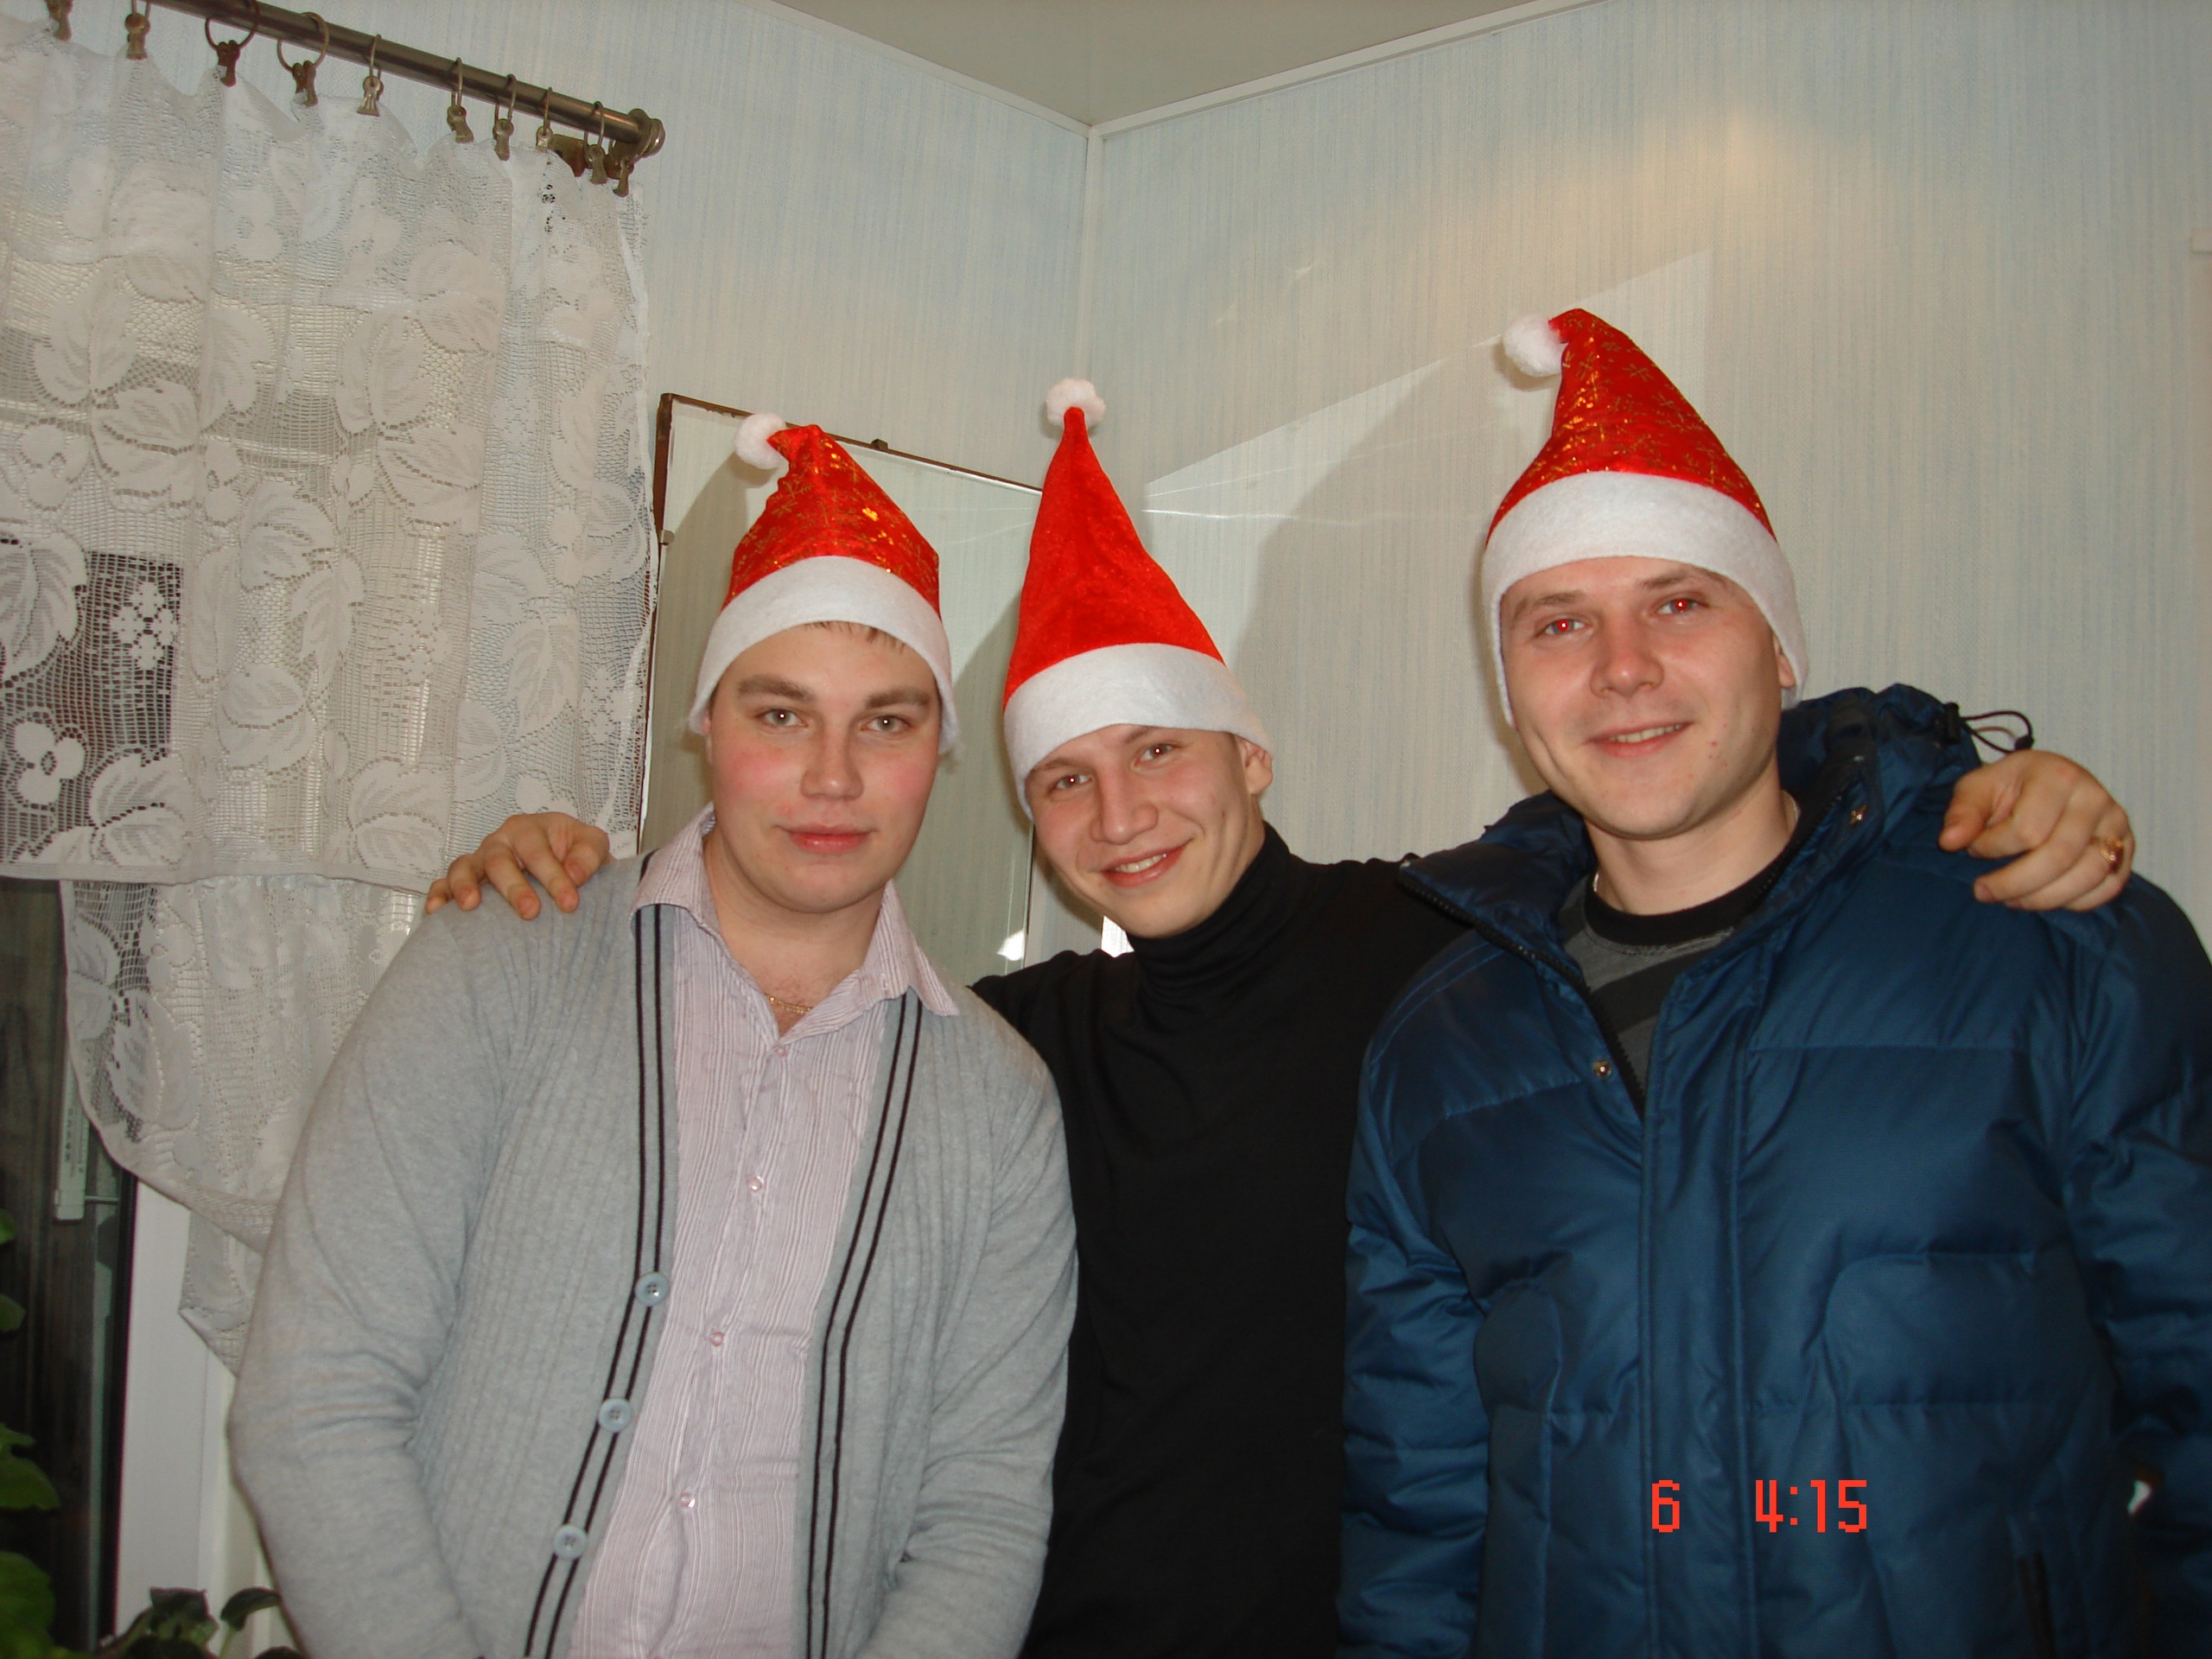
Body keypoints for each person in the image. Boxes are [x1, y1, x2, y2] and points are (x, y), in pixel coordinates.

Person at [431, 380, 2138, 1658]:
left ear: (1248, 754)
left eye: (1158, 751)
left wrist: (1954, 782)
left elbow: (1684, 821)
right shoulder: (999, 1042)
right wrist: (567, 876)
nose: (1120, 814)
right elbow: (773, 1013)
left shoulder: (1453, 957)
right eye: (1065, 781)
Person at [1339, 308, 2212, 1656]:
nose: (1623, 668)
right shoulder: (1441, 1048)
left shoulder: (2054, 941)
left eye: (1679, 602)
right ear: (1510, 691)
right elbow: (1418, 1514)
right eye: (1558, 623)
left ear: (1783, 647)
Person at [231, 416, 1076, 1659]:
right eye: (780, 714)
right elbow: (316, 1400)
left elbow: (984, 1515)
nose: (833, 776)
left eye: (888, 723)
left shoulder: (1000, 1106)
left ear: (939, 752)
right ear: (706, 723)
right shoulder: (501, 963)